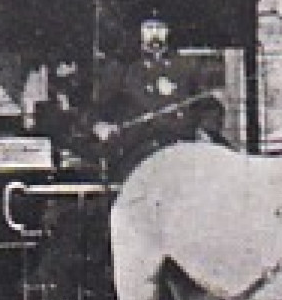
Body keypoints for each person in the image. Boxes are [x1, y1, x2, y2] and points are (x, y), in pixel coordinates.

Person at [92, 13, 222, 180]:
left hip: (180, 150)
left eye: (160, 28)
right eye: (149, 28)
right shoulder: (123, 69)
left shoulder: (185, 67)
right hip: (138, 152)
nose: (155, 33)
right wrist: (101, 126)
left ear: (168, 31)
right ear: (140, 32)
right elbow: (98, 109)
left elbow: (209, 106)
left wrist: (206, 131)